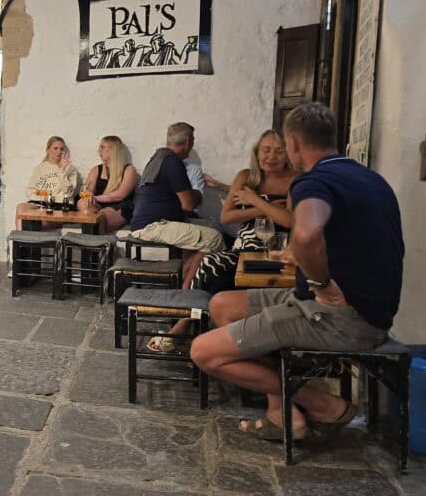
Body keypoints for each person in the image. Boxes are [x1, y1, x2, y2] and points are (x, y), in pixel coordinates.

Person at [191, 102, 403, 442]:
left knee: (203, 352)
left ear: (295, 145)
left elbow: (306, 233)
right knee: (222, 304)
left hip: (342, 318)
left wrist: (320, 279)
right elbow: (347, 240)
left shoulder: (311, 182)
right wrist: (296, 255)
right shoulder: (368, 177)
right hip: (365, 310)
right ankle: (282, 411)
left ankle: (323, 404)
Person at [147, 130, 296, 352]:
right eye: (266, 150)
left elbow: (290, 220)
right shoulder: (246, 177)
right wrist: (267, 208)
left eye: (279, 151)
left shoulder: (295, 181)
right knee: (210, 264)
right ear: (257, 152)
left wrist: (253, 200)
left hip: (276, 256)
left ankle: (208, 337)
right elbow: (227, 216)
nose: (271, 156)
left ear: (289, 154)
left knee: (221, 281)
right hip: (244, 251)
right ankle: (191, 326)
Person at [129, 122, 224, 276]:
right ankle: (186, 287)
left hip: (148, 222)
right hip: (153, 225)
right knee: (214, 238)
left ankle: (185, 276)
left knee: (209, 229)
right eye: (192, 140)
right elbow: (188, 205)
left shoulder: (157, 158)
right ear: (187, 141)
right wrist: (197, 193)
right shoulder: (173, 162)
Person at [14, 136, 80, 229]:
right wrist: (42, 197)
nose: (59, 151)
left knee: (32, 223)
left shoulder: (70, 169)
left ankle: (23, 241)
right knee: (21, 207)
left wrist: (62, 171)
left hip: (61, 205)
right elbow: (30, 190)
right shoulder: (40, 168)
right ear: (48, 150)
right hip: (42, 203)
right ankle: (21, 239)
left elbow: (68, 192)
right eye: (55, 148)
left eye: (62, 149)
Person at [77, 136, 138, 233]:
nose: (98, 151)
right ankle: (89, 242)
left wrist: (95, 198)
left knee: (101, 216)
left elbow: (119, 195)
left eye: (102, 147)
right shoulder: (96, 170)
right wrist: (87, 196)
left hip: (119, 207)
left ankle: (93, 244)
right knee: (82, 203)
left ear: (113, 150)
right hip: (98, 206)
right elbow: (88, 192)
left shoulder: (129, 170)